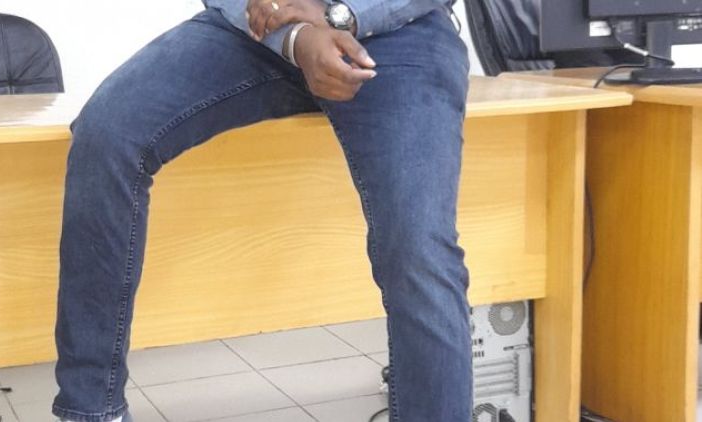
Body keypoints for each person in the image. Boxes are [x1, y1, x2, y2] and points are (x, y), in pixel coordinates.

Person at [52, 0, 471, 421]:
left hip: (398, 35)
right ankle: (92, 410)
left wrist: (342, 15)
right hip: (257, 27)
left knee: (418, 246)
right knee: (107, 134)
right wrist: (294, 36)